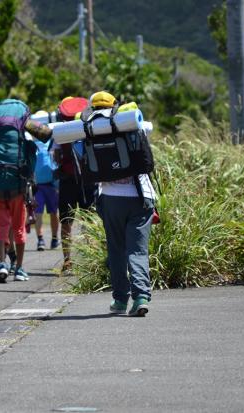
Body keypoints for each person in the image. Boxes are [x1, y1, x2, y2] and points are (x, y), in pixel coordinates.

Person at [88, 91, 156, 316]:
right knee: (137, 251)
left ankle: (119, 300)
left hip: (110, 198)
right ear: (114, 105)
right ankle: (141, 297)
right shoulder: (127, 121)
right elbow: (148, 129)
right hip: (139, 197)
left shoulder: (88, 127)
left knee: (116, 250)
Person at [0, 98, 52, 283]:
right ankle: (19, 268)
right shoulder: (23, 134)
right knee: (18, 227)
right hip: (18, 185)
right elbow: (31, 159)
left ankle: (2, 263)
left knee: (0, 225)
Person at [52, 96, 94, 274]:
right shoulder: (90, 128)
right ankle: (92, 259)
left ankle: (68, 261)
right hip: (87, 180)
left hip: (67, 181)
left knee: (66, 222)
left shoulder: (61, 131)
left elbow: (56, 157)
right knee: (89, 221)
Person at [32, 132, 59, 251]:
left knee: (54, 213)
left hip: (51, 185)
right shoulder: (33, 145)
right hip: (38, 186)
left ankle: (54, 238)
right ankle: (40, 240)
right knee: (38, 214)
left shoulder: (51, 143)